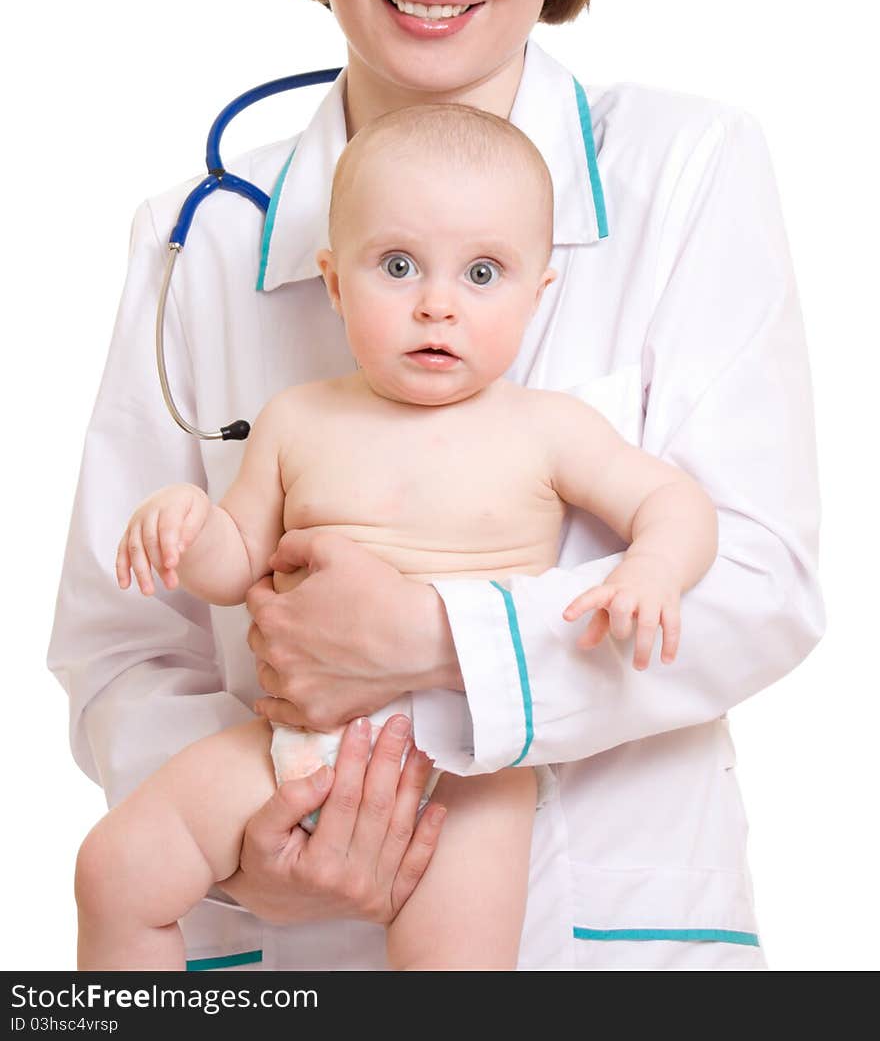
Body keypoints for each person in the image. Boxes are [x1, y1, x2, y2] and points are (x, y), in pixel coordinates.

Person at [49, 0, 823, 971]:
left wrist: (436, 638)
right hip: (280, 932)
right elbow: (121, 642)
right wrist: (261, 853)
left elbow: (757, 577)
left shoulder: (685, 170)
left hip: (604, 927)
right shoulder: (206, 234)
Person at [75, 106, 718, 971]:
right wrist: (186, 529)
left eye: (483, 272)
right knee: (112, 868)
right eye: (399, 265)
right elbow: (235, 562)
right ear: (336, 283)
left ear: (538, 293)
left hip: (467, 769)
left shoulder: (548, 429)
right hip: (292, 748)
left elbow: (676, 504)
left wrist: (653, 568)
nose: (437, 305)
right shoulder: (296, 418)